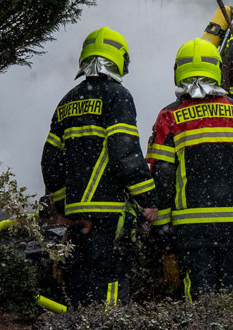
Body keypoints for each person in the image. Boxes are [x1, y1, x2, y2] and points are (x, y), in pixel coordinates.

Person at [41, 26, 157, 308]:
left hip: (75, 214)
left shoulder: (67, 101)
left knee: (78, 276)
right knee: (110, 275)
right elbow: (124, 153)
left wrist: (63, 204)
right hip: (108, 210)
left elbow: (50, 161)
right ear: (119, 60)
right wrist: (148, 199)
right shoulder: (118, 96)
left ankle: (78, 329)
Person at [147, 38, 233, 304]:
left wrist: (162, 223)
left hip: (192, 227)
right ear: (217, 69)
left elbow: (162, 175)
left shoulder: (169, 117)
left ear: (178, 71)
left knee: (198, 294)